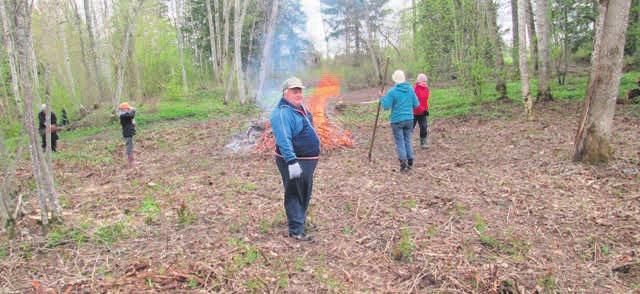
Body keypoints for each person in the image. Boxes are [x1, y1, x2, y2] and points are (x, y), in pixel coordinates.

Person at [270, 77, 321, 242]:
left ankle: (300, 222)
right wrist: (291, 162)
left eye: (300, 90)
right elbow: (283, 139)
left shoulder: (299, 108)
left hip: (306, 160)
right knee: (295, 193)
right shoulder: (282, 113)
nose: (298, 93)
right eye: (294, 91)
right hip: (295, 161)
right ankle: (296, 231)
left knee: (303, 192)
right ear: (285, 93)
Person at [380, 70, 419, 172]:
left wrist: (381, 97)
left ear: (395, 80)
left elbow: (386, 106)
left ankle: (403, 164)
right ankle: (410, 160)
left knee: (400, 141)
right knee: (408, 140)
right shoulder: (410, 89)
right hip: (409, 119)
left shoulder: (392, 92)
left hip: (397, 120)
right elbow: (416, 104)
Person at [413, 73, 430, 149]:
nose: (425, 83)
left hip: (423, 112)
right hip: (414, 112)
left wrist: (426, 109)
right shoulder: (415, 89)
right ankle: (406, 143)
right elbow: (415, 102)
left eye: (425, 81)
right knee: (410, 128)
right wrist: (422, 109)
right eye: (423, 81)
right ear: (419, 81)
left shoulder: (426, 89)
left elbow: (425, 100)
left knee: (424, 126)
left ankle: (423, 143)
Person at [117, 102, 137, 168]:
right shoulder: (123, 115)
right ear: (123, 109)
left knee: (130, 146)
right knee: (129, 147)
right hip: (127, 133)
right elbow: (131, 115)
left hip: (128, 133)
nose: (128, 110)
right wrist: (133, 109)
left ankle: (132, 161)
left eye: (128, 109)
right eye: (127, 108)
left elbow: (131, 117)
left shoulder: (124, 115)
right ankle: (131, 162)